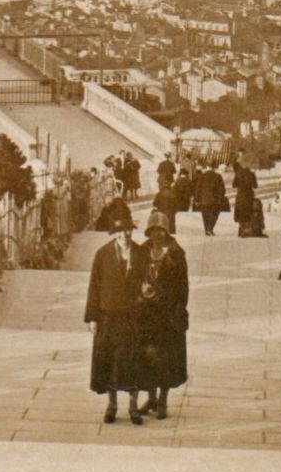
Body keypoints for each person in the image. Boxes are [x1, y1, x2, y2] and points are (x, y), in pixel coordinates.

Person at [85, 198, 148, 425]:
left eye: (128, 231)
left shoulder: (142, 254)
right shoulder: (102, 255)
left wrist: (146, 292)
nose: (124, 236)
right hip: (108, 316)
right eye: (120, 232)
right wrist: (92, 317)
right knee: (109, 361)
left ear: (132, 230)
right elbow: (94, 286)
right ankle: (112, 405)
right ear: (114, 233)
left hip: (133, 316)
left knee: (133, 361)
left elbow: (150, 282)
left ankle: (133, 407)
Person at [138, 211, 189, 420]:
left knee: (166, 358)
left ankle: (163, 400)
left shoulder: (176, 254)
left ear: (167, 232)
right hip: (146, 314)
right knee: (148, 356)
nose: (157, 235)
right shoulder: (142, 251)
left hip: (168, 316)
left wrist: (176, 309)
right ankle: (151, 397)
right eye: (153, 231)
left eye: (161, 231)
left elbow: (183, 288)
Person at [232, 159, 264, 237]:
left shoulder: (238, 174)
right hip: (249, 196)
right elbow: (255, 186)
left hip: (240, 196)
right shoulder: (251, 174)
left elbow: (234, 185)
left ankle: (241, 230)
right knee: (249, 213)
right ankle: (248, 230)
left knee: (241, 213)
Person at [193, 163, 228, 236]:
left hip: (204, 200)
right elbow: (222, 189)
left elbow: (198, 188)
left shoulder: (202, 176)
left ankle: (207, 230)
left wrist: (196, 199)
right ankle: (210, 228)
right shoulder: (218, 176)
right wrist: (221, 198)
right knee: (214, 214)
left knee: (205, 215)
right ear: (214, 167)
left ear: (206, 167)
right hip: (215, 200)